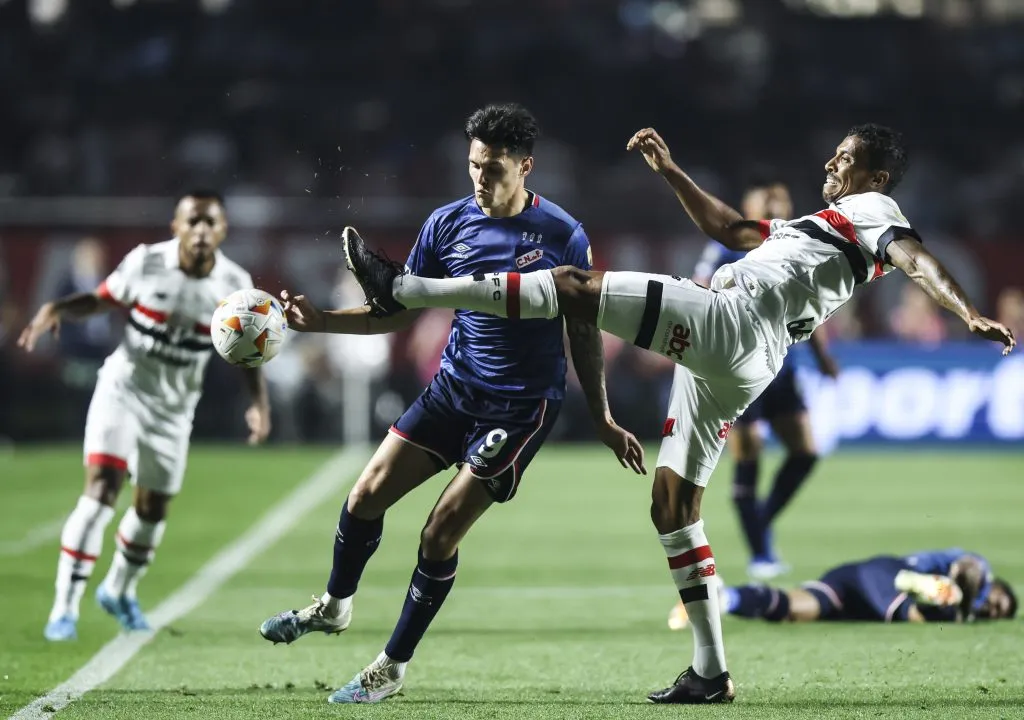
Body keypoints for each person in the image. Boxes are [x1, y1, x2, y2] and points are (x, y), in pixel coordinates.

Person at [342, 123, 1016, 704]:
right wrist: (671, 172)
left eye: (844, 157)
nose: (830, 165)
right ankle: (711, 671)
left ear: (876, 173)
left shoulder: (876, 210)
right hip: (744, 359)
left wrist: (968, 313)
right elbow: (728, 227)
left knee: (576, 287)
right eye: (835, 156)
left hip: (732, 321)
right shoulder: (818, 229)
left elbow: (916, 257)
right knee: (673, 507)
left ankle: (405, 286)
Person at [258, 103, 644, 705]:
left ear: (526, 167)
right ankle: (334, 607)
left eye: (493, 169)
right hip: (455, 390)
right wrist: (320, 322)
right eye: (472, 166)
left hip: (520, 408)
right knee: (363, 497)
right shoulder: (446, 224)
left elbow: (584, 331)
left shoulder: (562, 234)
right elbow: (399, 309)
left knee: (439, 534)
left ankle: (391, 666)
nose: (480, 180)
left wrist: (602, 416)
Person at [18, 191, 270, 641]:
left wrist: (258, 403)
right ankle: (64, 609)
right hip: (123, 390)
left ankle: (118, 590)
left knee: (151, 509)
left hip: (175, 410)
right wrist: (57, 308)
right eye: (192, 221)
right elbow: (100, 300)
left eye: (209, 223)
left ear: (222, 230)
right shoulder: (145, 263)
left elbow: (248, 352)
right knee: (100, 492)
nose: (200, 231)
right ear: (175, 226)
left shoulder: (234, 283)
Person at [689, 179, 839, 581]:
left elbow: (813, 303)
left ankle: (761, 521)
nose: (777, 203)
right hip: (740, 367)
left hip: (783, 368)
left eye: (782, 197)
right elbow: (701, 294)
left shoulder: (796, 243)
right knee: (750, 449)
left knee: (805, 452)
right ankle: (761, 552)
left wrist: (822, 356)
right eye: (767, 199)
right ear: (748, 204)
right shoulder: (727, 245)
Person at [668, 548, 1016, 626]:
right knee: (909, 613)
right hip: (886, 577)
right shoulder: (979, 575)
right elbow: (968, 569)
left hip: (855, 583)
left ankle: (723, 597)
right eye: (1001, 601)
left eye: (1000, 614)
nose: (995, 609)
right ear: (996, 587)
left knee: (794, 608)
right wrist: (965, 602)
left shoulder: (957, 609)